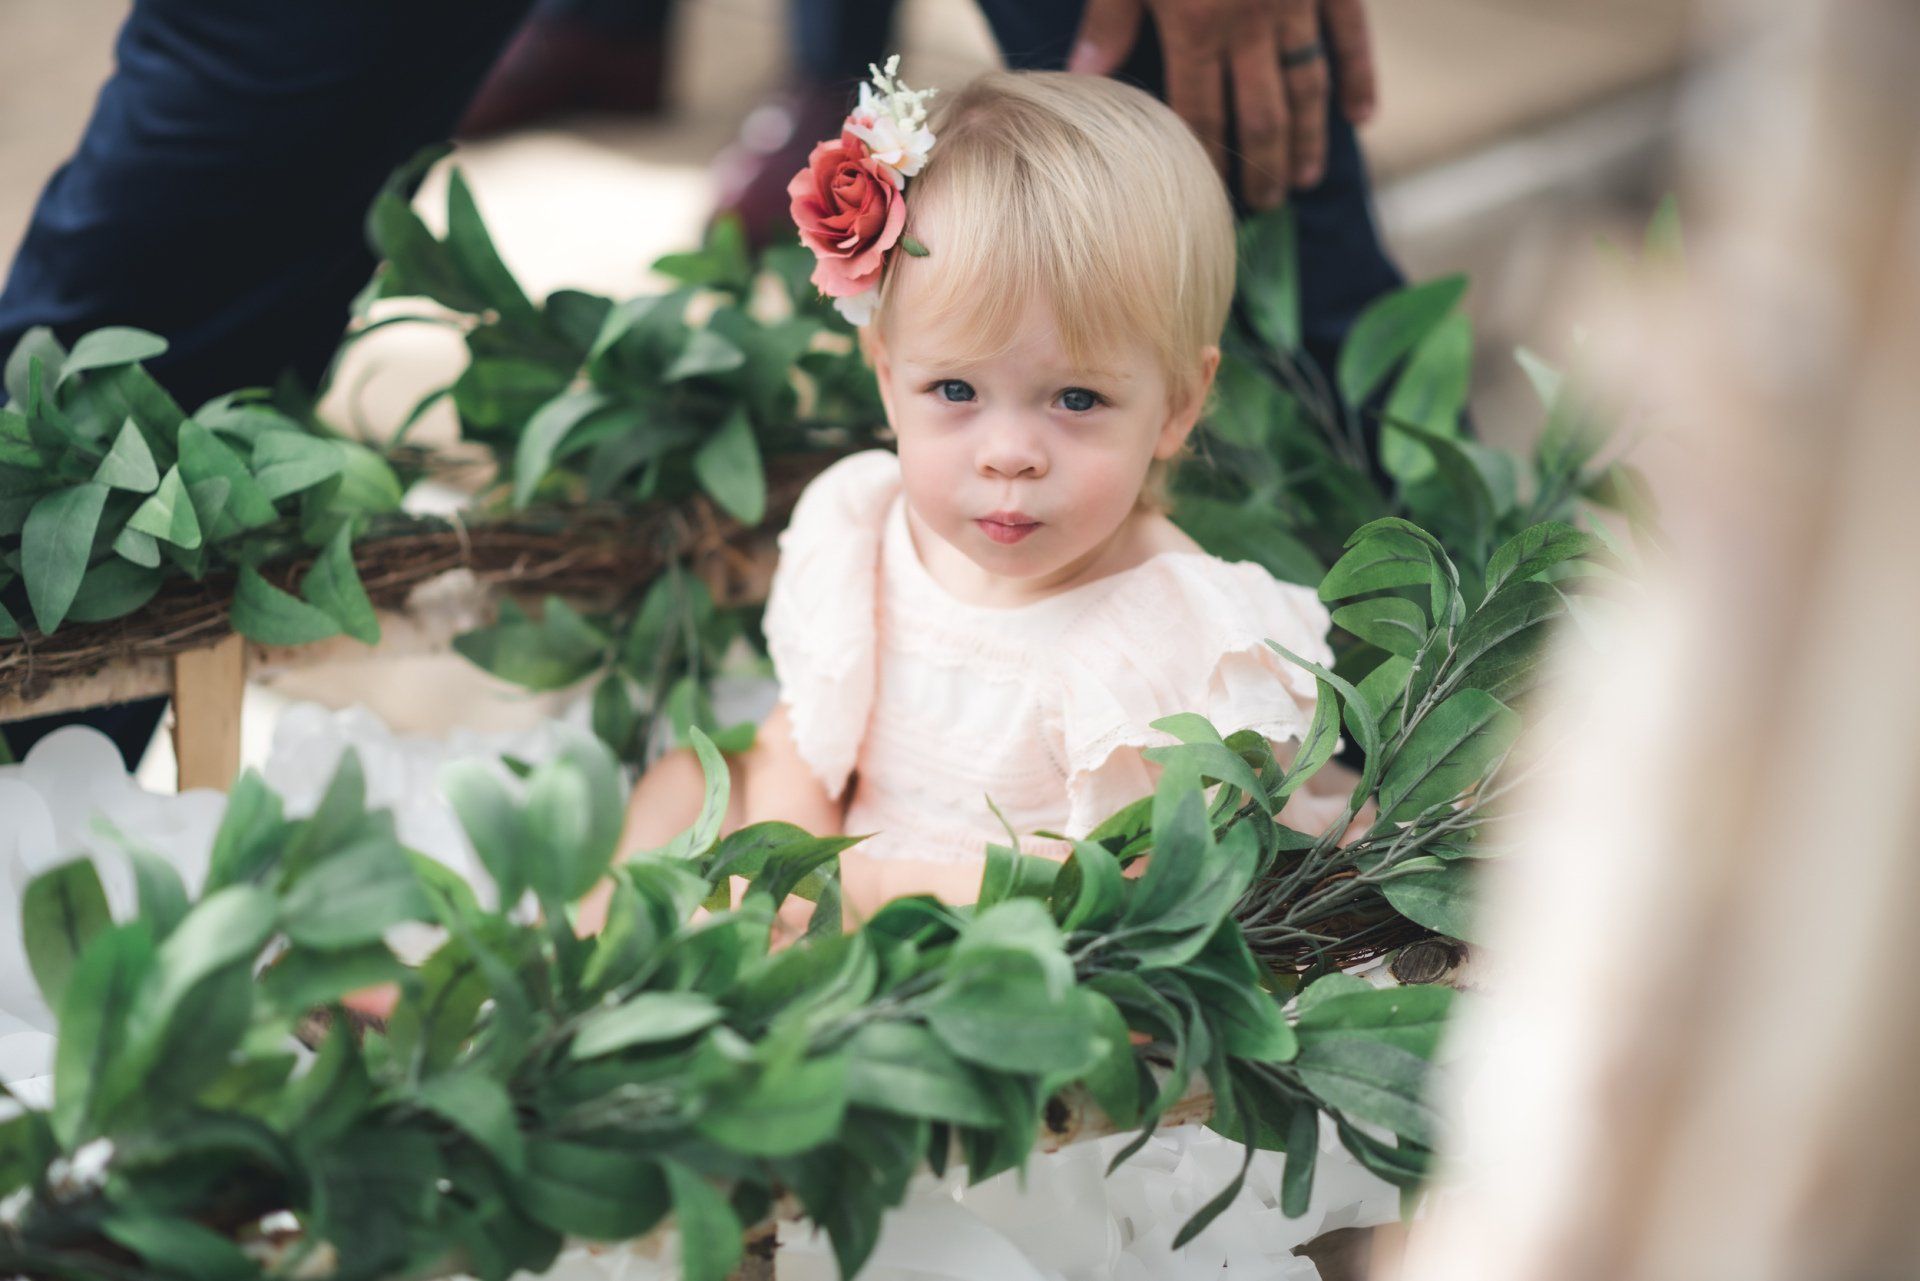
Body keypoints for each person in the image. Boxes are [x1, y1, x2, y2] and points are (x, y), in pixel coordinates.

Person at [615, 65, 1341, 922]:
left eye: (1078, 399)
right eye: (955, 391)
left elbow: (1140, 889)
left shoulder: (1174, 631)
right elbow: (798, 749)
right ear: (889, 379)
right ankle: (569, 962)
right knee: (682, 786)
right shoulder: (864, 526)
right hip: (842, 893)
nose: (1009, 456)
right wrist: (793, 887)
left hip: (1009, 962)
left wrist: (877, 893)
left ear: (1178, 405)